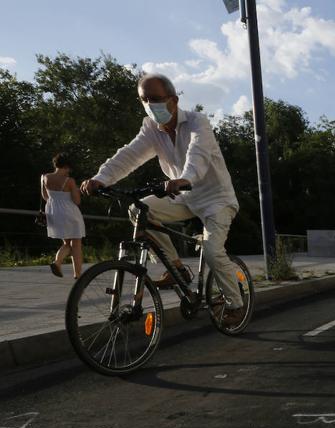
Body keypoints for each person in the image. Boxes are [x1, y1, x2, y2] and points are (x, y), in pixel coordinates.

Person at [81, 73, 244, 328]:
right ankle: (177, 268)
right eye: (144, 99)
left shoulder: (197, 122)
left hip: (216, 199)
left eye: (155, 98)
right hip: (184, 197)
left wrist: (184, 178)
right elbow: (128, 156)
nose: (149, 105)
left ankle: (235, 304)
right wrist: (101, 178)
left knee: (212, 251)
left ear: (173, 100)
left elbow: (197, 155)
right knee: (139, 210)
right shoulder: (150, 129)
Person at [42, 153, 85, 279]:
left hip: (53, 212)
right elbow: (77, 201)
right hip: (70, 212)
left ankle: (57, 262)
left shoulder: (44, 177)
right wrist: (76, 191)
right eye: (69, 169)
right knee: (76, 244)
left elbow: (45, 197)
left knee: (67, 243)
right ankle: (77, 274)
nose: (69, 171)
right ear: (66, 166)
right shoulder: (69, 181)